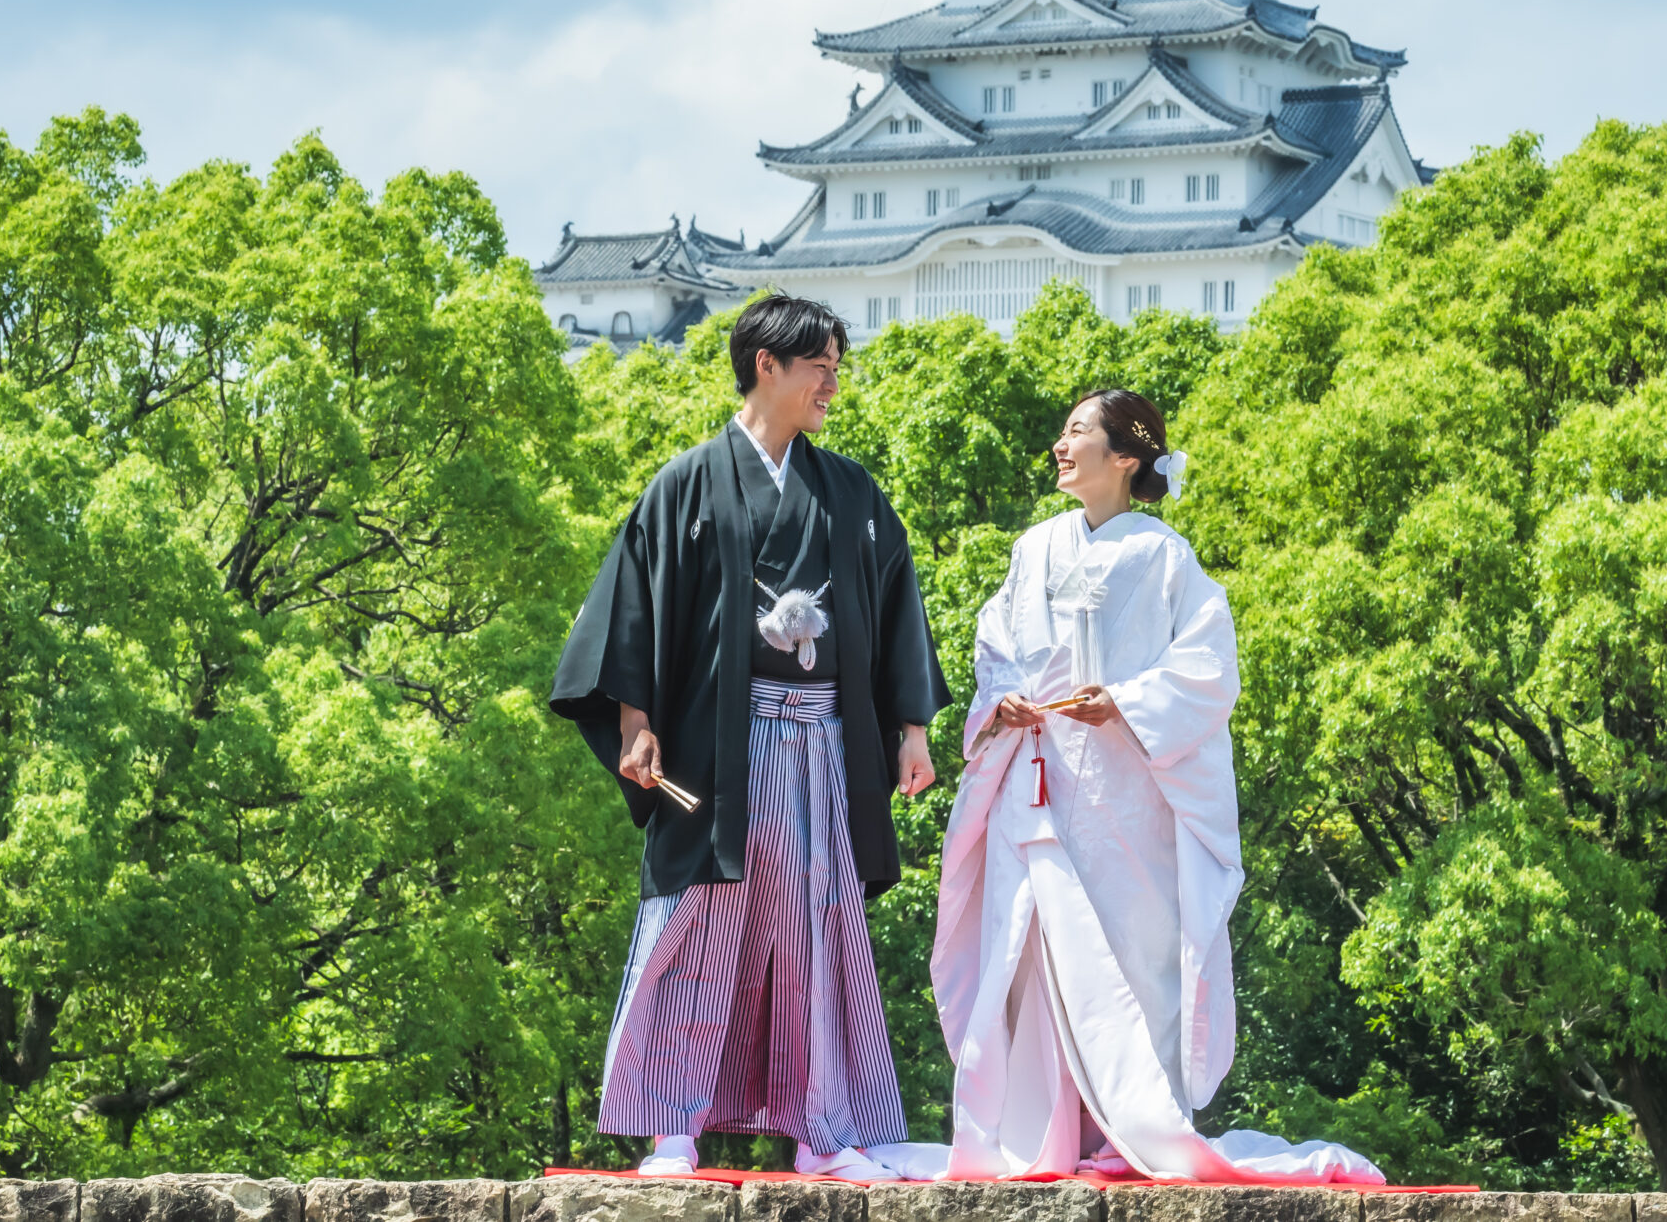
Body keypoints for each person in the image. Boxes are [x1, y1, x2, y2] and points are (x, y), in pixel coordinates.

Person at [922, 390, 1381, 1185]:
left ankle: (1125, 1131)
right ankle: (1041, 1131)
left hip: (1125, 795)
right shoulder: (1033, 549)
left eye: (1077, 432)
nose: (1061, 445)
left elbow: (1208, 669)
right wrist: (1001, 699)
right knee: (1028, 955)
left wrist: (1127, 704)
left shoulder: (1167, 558)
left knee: (1131, 955)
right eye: (1063, 430)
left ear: (1126, 456)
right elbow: (996, 645)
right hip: (1034, 785)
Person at [551, 294, 949, 1182]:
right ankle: (672, 1128)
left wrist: (911, 729)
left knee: (814, 929)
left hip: (821, 745)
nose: (833, 383)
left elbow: (894, 609)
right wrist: (636, 722)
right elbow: (634, 611)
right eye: (821, 366)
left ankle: (820, 1127)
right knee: (696, 924)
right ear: (767, 364)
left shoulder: (849, 490)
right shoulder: (686, 482)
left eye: (837, 366)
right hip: (715, 751)